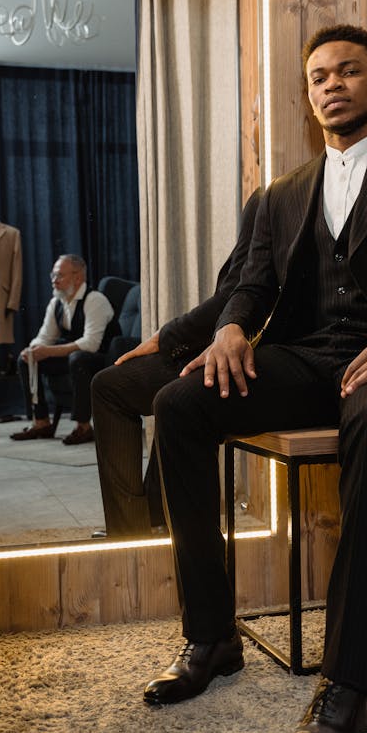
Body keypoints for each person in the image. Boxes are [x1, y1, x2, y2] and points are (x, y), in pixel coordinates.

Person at [143, 24, 367, 733]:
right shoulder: (282, 193)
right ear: (309, 94)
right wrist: (233, 327)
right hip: (310, 359)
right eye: (319, 76)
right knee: (179, 404)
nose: (331, 84)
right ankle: (212, 637)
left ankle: (348, 685)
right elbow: (253, 284)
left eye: (348, 71)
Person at [90, 185, 261, 537]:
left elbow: (238, 294)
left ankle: (137, 530)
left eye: (259, 122)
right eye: (255, 122)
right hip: (231, 339)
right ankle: (147, 524)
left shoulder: (274, 195)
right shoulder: (279, 192)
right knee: (126, 385)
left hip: (251, 351)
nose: (257, 126)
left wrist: (165, 339)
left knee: (120, 389)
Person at [11, 254, 115, 446]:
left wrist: (49, 351)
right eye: (53, 275)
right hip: (74, 357)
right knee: (25, 359)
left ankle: (83, 427)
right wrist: (32, 349)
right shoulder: (56, 302)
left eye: (59, 275)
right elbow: (45, 336)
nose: (54, 280)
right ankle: (41, 421)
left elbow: (91, 344)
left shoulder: (95, 300)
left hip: (103, 358)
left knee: (78, 358)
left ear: (77, 277)